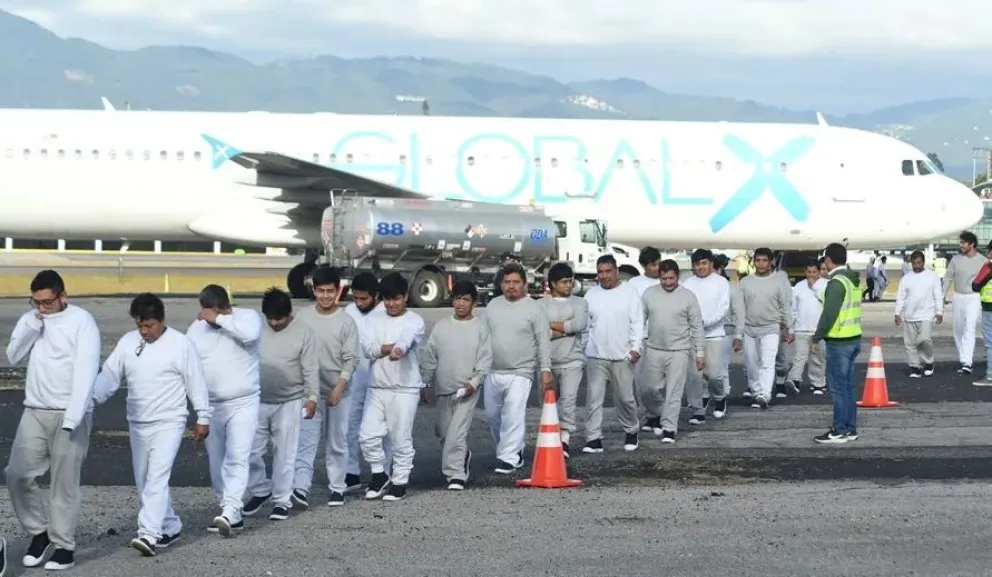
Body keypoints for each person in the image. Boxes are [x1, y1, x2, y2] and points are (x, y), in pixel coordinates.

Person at [91, 293, 211, 556]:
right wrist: (89, 400)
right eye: (140, 326)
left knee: (157, 478)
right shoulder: (127, 343)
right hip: (138, 423)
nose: (144, 331)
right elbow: (109, 376)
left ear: (162, 319)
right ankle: (169, 525)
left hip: (170, 421)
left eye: (149, 326)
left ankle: (148, 534)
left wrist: (203, 416)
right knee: (145, 481)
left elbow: (196, 381)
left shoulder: (181, 344)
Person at [5, 270, 101, 571]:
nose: (42, 308)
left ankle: (64, 546)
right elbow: (13, 356)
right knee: (17, 474)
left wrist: (74, 417)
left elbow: (86, 370)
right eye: (36, 302)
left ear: (63, 297)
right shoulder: (32, 319)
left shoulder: (82, 322)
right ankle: (39, 532)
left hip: (70, 413)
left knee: (63, 485)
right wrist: (33, 325)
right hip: (34, 410)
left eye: (47, 302)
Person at [186, 284, 263, 536]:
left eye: (216, 312)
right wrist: (198, 412)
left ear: (227, 307)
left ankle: (231, 508)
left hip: (244, 401)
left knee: (237, 456)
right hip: (211, 406)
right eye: (207, 313)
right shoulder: (196, 329)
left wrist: (219, 319)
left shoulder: (247, 318)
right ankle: (230, 511)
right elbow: (188, 366)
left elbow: (250, 336)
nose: (209, 319)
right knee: (216, 462)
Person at [244, 288, 320, 521]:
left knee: (285, 453)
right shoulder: (254, 328)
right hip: (256, 399)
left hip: (290, 400)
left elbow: (310, 367)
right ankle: (260, 490)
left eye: (280, 319)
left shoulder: (305, 333)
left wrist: (313, 397)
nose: (275, 323)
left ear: (291, 314)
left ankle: (282, 500)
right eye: (271, 319)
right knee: (249, 451)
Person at [293, 267, 359, 508]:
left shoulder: (346, 322)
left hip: (339, 392)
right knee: (305, 441)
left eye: (330, 291)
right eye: (320, 291)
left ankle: (337, 488)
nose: (325, 296)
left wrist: (339, 389)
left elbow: (351, 359)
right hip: (309, 392)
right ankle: (300, 488)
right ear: (314, 291)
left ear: (338, 291)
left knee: (337, 441)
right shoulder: (301, 317)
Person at [359, 273, 426, 501]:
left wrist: (400, 349)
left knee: (400, 438)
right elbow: (368, 349)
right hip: (377, 387)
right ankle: (379, 474)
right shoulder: (373, 320)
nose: (391, 304)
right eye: (387, 299)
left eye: (396, 299)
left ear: (405, 296)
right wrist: (389, 349)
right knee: (367, 436)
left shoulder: (414, 320)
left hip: (405, 389)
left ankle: (400, 481)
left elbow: (408, 338)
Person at [420, 280, 492, 490]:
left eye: (465, 299)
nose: (460, 304)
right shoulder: (442, 326)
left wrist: (475, 382)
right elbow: (429, 355)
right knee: (442, 431)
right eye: (457, 299)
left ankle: (456, 474)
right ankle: (463, 456)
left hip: (467, 390)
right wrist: (426, 382)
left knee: (456, 433)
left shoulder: (480, 328)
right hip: (443, 389)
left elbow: (485, 360)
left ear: (474, 303)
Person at [483, 262, 553, 473]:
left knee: (512, 414)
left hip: (521, 372)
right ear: (501, 284)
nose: (511, 286)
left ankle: (510, 458)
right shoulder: (493, 305)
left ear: (524, 284)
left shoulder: (535, 308)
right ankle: (513, 449)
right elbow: (482, 336)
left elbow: (543, 341)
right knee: (494, 416)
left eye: (515, 282)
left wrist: (545, 370)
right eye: (507, 282)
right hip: (492, 371)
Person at [582, 255, 643, 453]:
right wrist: (583, 349)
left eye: (608, 271)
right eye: (601, 272)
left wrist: (636, 348)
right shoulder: (591, 295)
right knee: (593, 399)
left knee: (625, 398)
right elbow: (585, 326)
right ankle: (593, 439)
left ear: (616, 271)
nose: (605, 276)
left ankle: (631, 429)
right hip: (596, 355)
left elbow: (637, 322)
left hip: (622, 355)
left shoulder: (630, 292)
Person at [640, 259, 705, 443]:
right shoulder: (649, 293)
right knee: (647, 389)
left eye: (671, 278)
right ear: (658, 277)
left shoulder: (688, 296)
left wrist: (700, 353)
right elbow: (639, 321)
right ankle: (656, 413)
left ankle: (669, 427)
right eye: (664, 279)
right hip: (653, 348)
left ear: (677, 276)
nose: (668, 283)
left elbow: (697, 327)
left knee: (674, 392)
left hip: (679, 350)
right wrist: (635, 346)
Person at [342, 272, 389, 494]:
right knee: (349, 427)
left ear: (376, 295)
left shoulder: (386, 312)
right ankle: (351, 472)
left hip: (382, 380)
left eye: (364, 299)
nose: (359, 303)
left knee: (383, 429)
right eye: (356, 298)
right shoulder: (349, 312)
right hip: (354, 379)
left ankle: (384, 471)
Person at [812, 242, 863, 444]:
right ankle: (849, 428)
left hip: (839, 341)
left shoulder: (836, 282)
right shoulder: (852, 280)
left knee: (837, 388)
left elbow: (829, 313)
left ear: (828, 260)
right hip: (853, 338)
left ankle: (839, 429)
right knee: (848, 387)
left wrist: (817, 336)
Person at [537, 262, 588, 458]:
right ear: (552, 284)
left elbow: (579, 324)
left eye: (570, 281)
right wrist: (564, 330)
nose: (568, 285)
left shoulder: (580, 303)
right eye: (564, 282)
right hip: (546, 362)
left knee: (568, 400)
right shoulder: (540, 305)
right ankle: (550, 437)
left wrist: (550, 328)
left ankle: (564, 440)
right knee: (548, 402)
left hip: (572, 360)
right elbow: (539, 332)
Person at [736, 248, 794, 409]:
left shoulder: (779, 281)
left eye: (764, 260)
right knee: (751, 364)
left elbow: (785, 306)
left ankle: (765, 393)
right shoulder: (745, 282)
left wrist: (790, 328)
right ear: (753, 262)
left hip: (771, 328)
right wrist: (738, 335)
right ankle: (756, 392)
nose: (761, 264)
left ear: (770, 263)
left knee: (767, 362)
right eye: (758, 260)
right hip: (749, 329)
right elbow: (740, 310)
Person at [681, 249, 731, 425]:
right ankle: (698, 407)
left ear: (711, 263)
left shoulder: (721, 282)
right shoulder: (687, 283)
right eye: (697, 264)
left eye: (703, 263)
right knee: (695, 375)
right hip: (693, 336)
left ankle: (719, 396)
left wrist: (705, 322)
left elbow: (723, 308)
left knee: (714, 374)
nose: (700, 267)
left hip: (714, 334)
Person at [942, 231, 985, 375]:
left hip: (974, 298)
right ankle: (963, 358)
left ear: (971, 244)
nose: (960, 245)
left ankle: (967, 362)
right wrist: (942, 295)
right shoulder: (955, 259)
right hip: (958, 297)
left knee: (969, 328)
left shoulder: (983, 261)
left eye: (963, 243)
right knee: (958, 330)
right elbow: (948, 278)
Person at [895, 251, 943, 379]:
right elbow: (900, 297)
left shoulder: (933, 277)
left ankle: (929, 362)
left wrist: (939, 312)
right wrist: (897, 313)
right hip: (909, 315)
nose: (916, 265)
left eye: (919, 262)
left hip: (926, 314)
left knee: (925, 339)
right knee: (909, 343)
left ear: (923, 262)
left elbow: (938, 296)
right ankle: (915, 367)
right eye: (914, 263)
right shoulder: (906, 278)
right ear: (911, 263)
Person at [787, 261, 828, 394]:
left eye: (814, 272)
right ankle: (794, 380)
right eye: (808, 272)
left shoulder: (826, 285)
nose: (811, 275)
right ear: (804, 272)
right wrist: (791, 330)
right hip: (801, 329)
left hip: (819, 330)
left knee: (818, 358)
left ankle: (818, 383)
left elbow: (826, 302)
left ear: (819, 272)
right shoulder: (799, 286)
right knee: (799, 356)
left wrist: (814, 287)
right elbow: (793, 309)